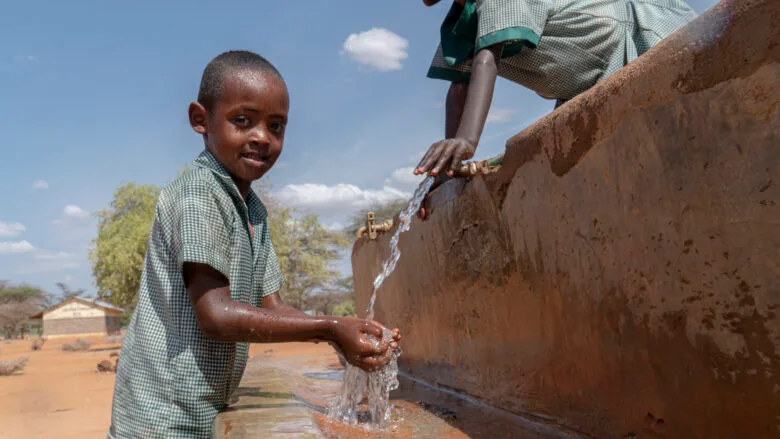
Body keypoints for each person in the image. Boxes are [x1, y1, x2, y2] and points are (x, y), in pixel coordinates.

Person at [107, 50, 401, 439]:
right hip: (161, 417)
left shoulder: (252, 209)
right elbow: (217, 316)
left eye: (276, 126)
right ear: (201, 120)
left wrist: (352, 333)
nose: (261, 137)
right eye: (242, 121)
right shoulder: (200, 195)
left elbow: (273, 307)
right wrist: (330, 328)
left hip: (199, 408)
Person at [413, 0, 697, 209]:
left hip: (640, 35)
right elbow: (460, 85)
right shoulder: (461, 21)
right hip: (586, 85)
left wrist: (465, 140)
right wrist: (445, 175)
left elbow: (485, 60)